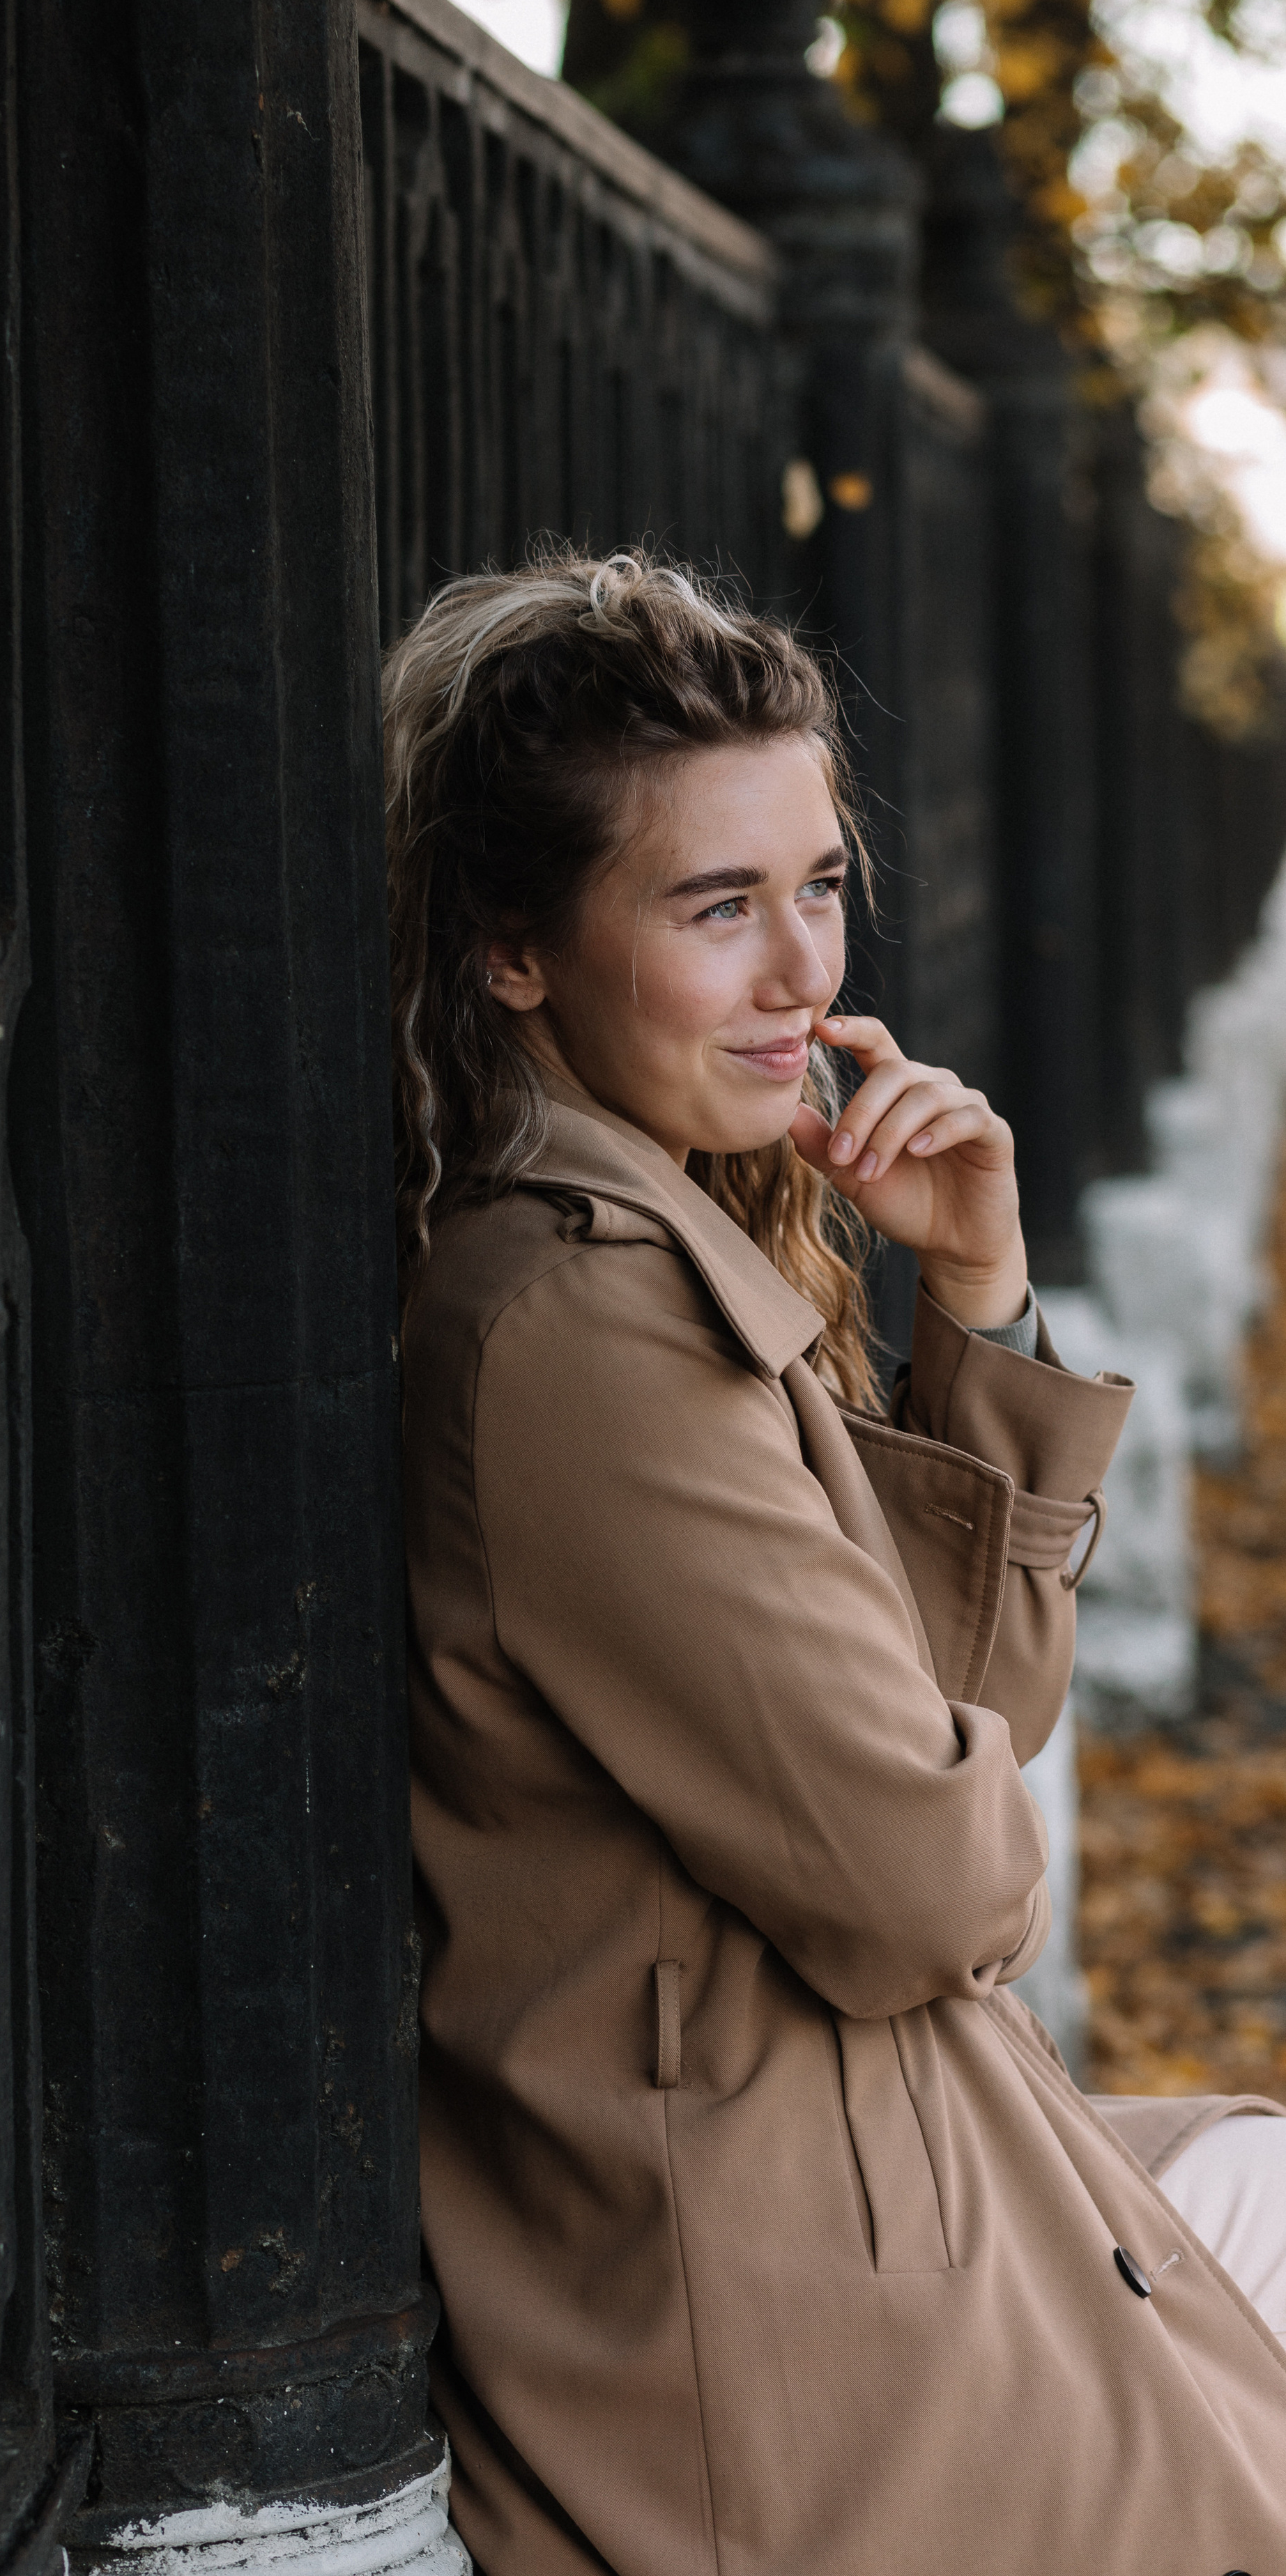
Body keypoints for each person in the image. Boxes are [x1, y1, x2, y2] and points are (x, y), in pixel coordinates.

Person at [388, 550, 1286, 2576]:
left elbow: (975, 1719)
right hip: (791, 2318)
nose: (802, 971)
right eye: (717, 907)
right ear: (516, 948)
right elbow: (940, 1885)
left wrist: (977, 1295)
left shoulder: (660, 1245)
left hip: (877, 2177)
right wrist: (948, 1803)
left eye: (817, 884)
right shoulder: (587, 1326)